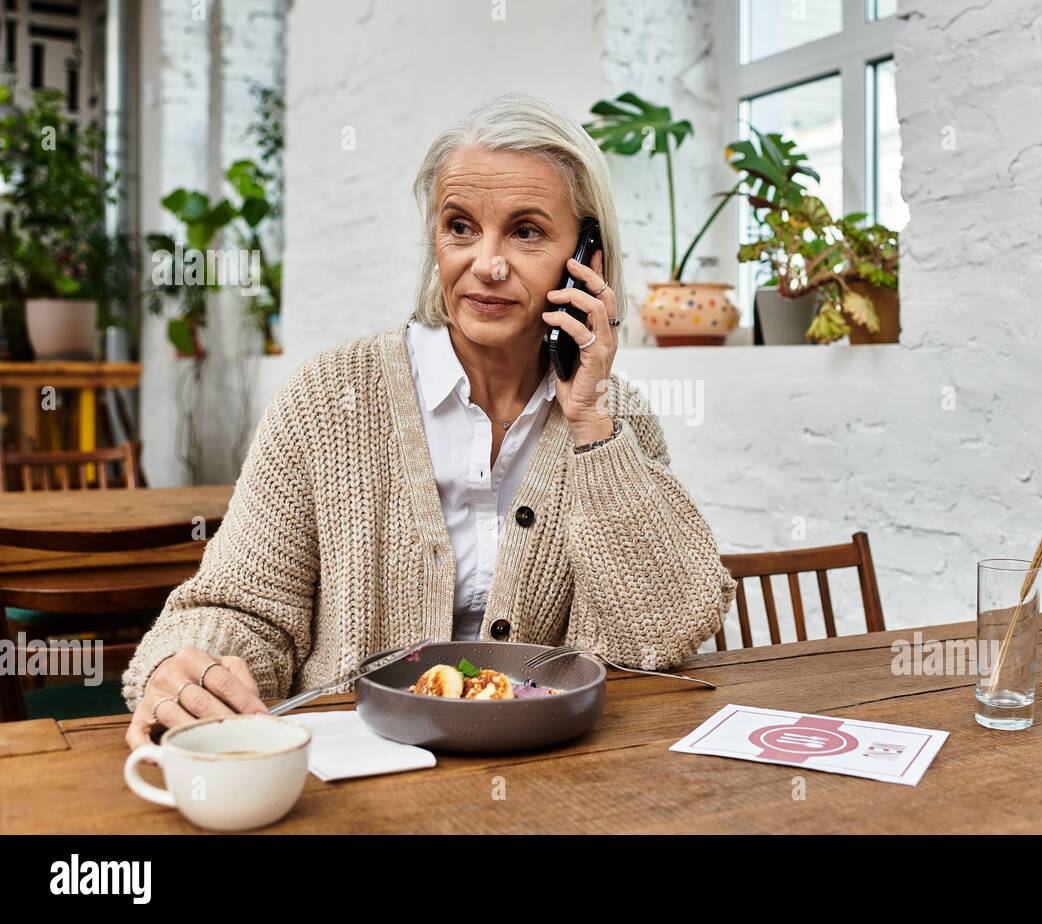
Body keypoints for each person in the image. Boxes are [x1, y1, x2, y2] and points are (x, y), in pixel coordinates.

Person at [121, 93, 737, 749]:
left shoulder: (617, 421)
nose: (487, 264)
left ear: (587, 261)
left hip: (552, 774)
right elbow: (237, 608)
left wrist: (589, 421)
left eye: (526, 232)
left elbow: (659, 634)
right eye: (460, 227)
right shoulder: (329, 397)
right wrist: (188, 666)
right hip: (355, 773)